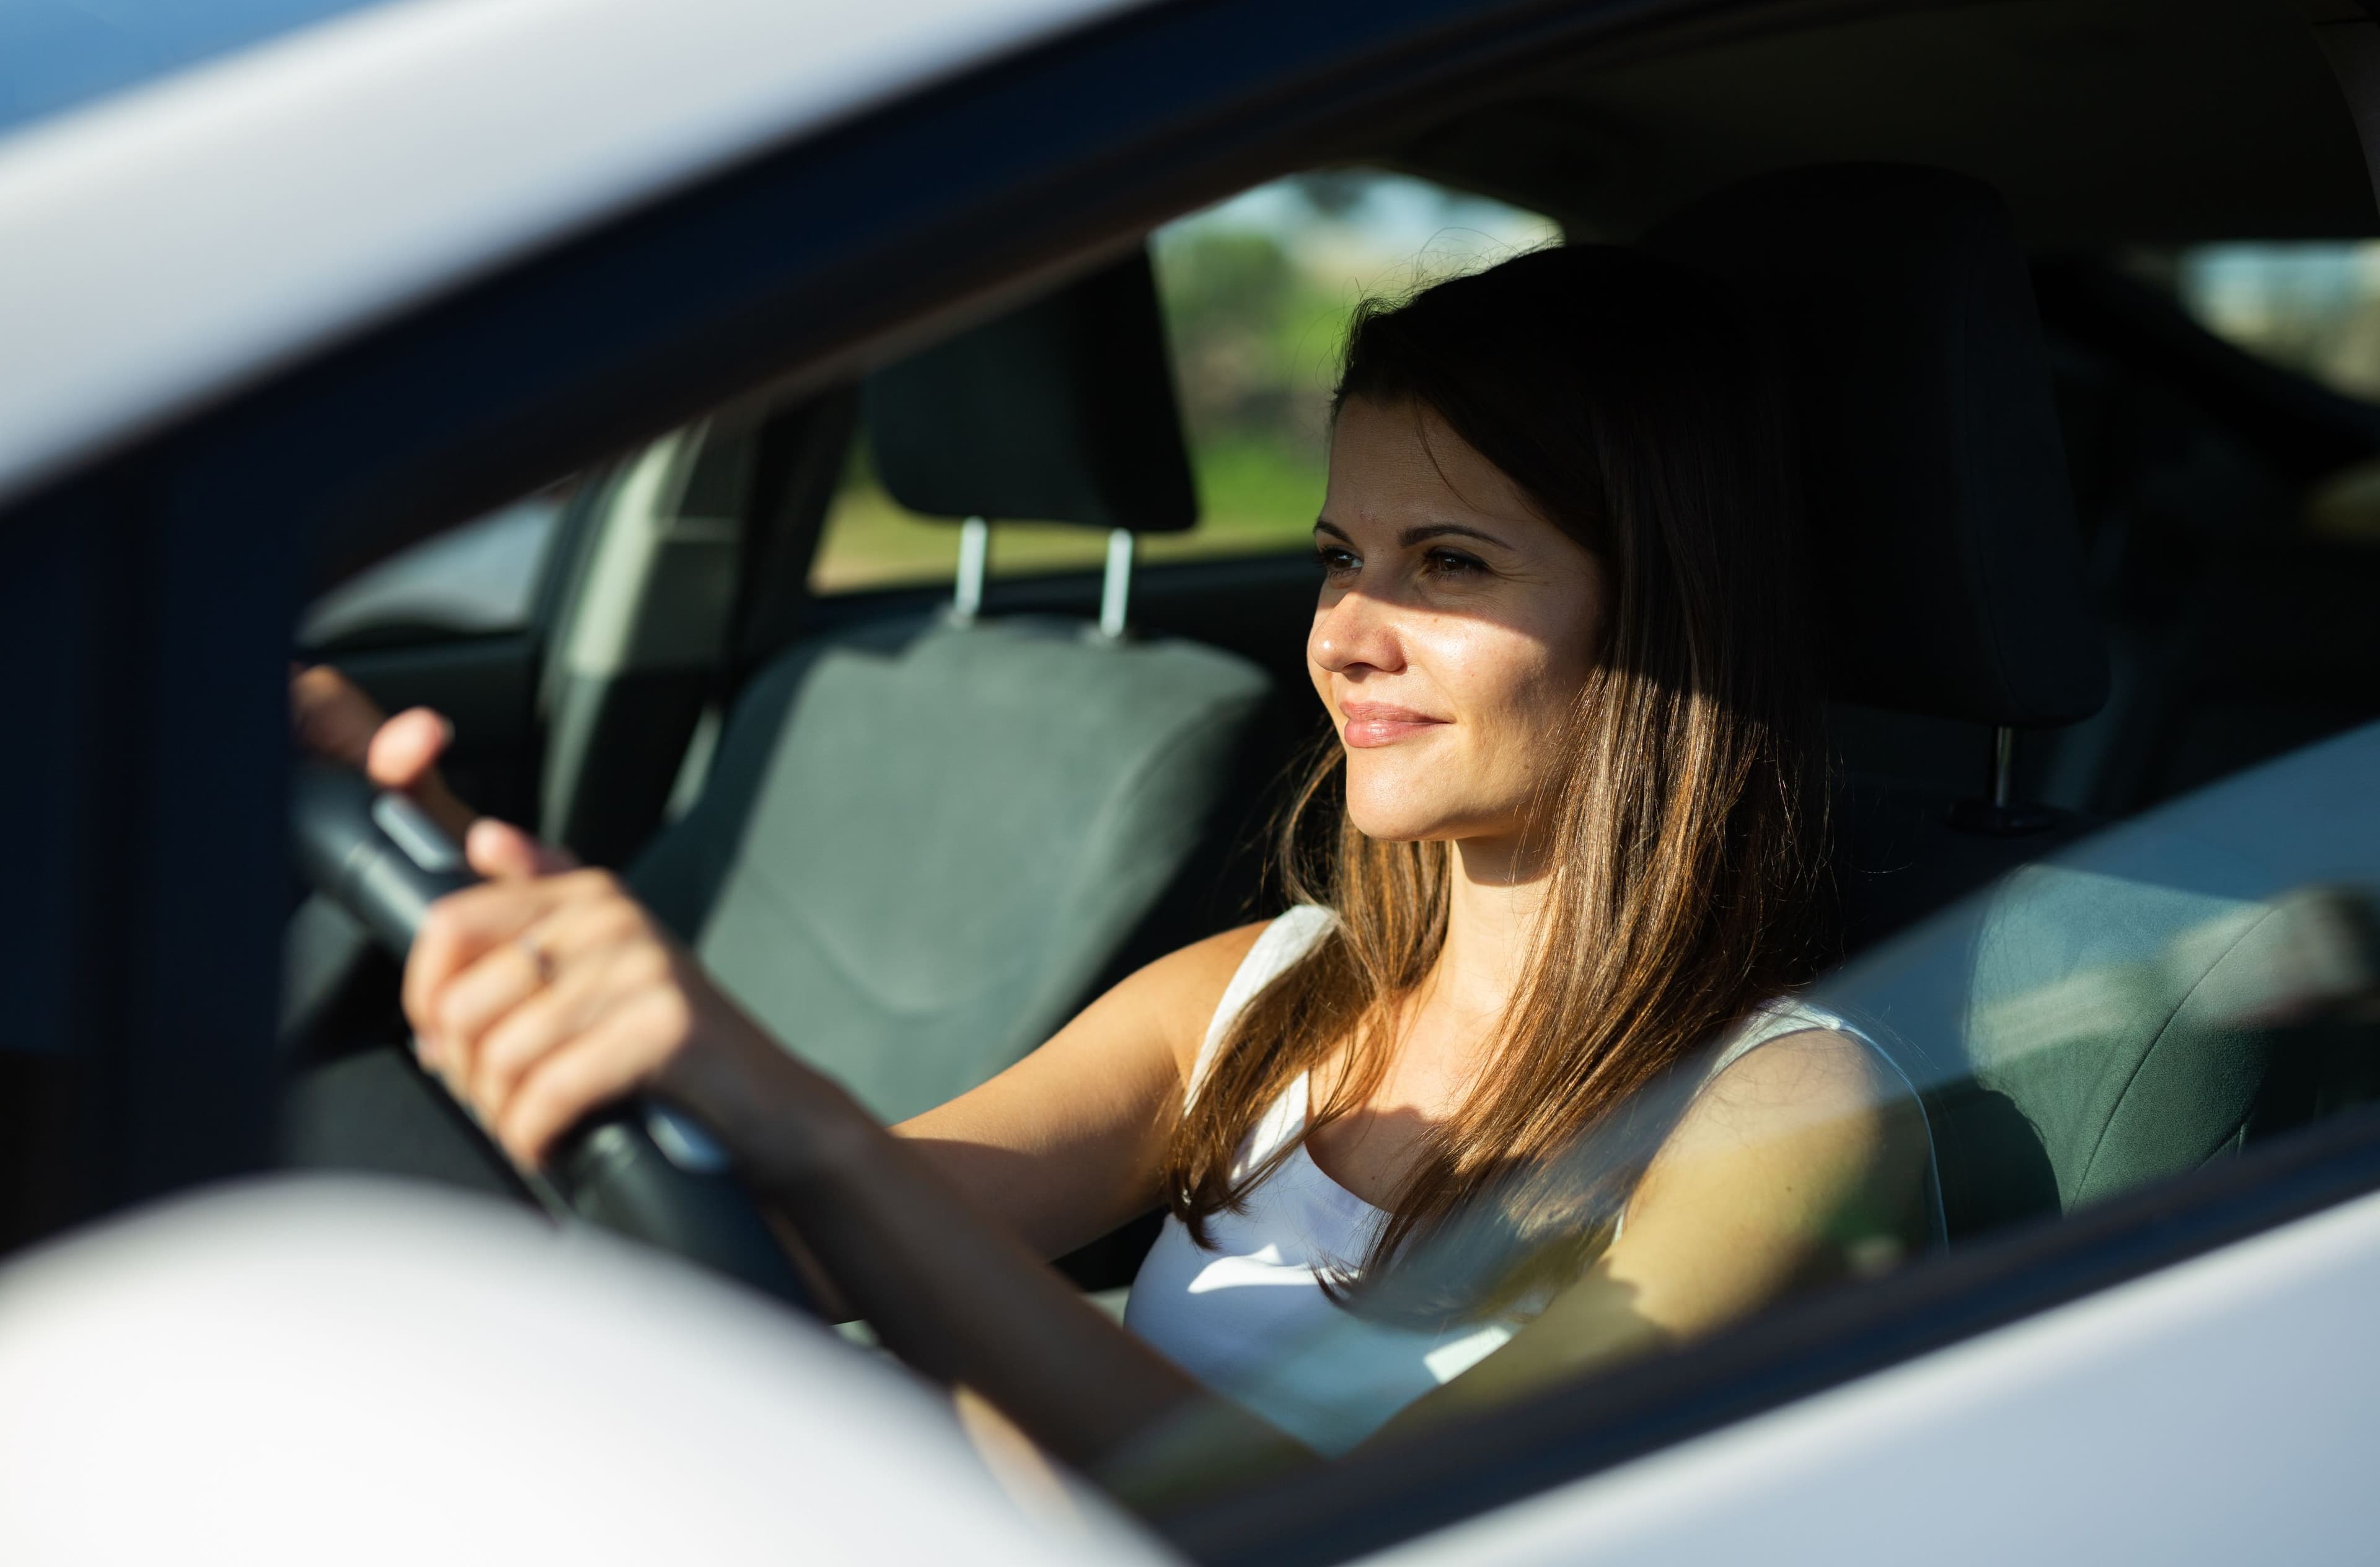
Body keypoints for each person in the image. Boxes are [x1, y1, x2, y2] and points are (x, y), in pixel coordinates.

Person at [293, 244, 1937, 1503]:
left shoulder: (1784, 1122)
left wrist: (802, 1127)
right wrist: (499, 940)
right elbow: (794, 1231)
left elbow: (1394, 1530)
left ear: (1661, 614)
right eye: (1338, 559)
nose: (1346, 638)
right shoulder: (1261, 997)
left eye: (1449, 565)